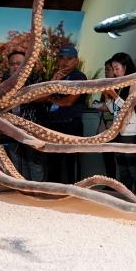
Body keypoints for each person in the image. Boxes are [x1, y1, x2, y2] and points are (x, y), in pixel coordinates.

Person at [102, 52, 136, 193]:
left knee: (134, 169)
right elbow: (114, 110)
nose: (115, 72)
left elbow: (129, 107)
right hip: (119, 131)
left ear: (125, 67)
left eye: (117, 68)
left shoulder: (135, 84)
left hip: (131, 132)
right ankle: (126, 196)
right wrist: (108, 97)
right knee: (123, 170)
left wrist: (114, 95)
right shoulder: (120, 84)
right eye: (113, 69)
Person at [42, 45, 87, 183]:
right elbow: (38, 98)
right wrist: (52, 82)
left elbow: (69, 101)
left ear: (76, 61)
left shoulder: (79, 76)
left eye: (69, 58)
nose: (65, 62)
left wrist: (50, 99)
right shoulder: (56, 76)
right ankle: (54, 191)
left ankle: (75, 191)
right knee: (52, 163)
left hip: (70, 125)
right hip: (53, 125)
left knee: (71, 162)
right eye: (62, 58)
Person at [3, 50, 46, 181]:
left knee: (34, 161)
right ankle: (22, 187)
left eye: (19, 63)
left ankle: (37, 188)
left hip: (32, 127)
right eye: (12, 64)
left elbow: (44, 96)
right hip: (10, 128)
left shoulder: (36, 79)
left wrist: (25, 96)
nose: (15, 67)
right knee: (16, 161)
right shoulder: (3, 80)